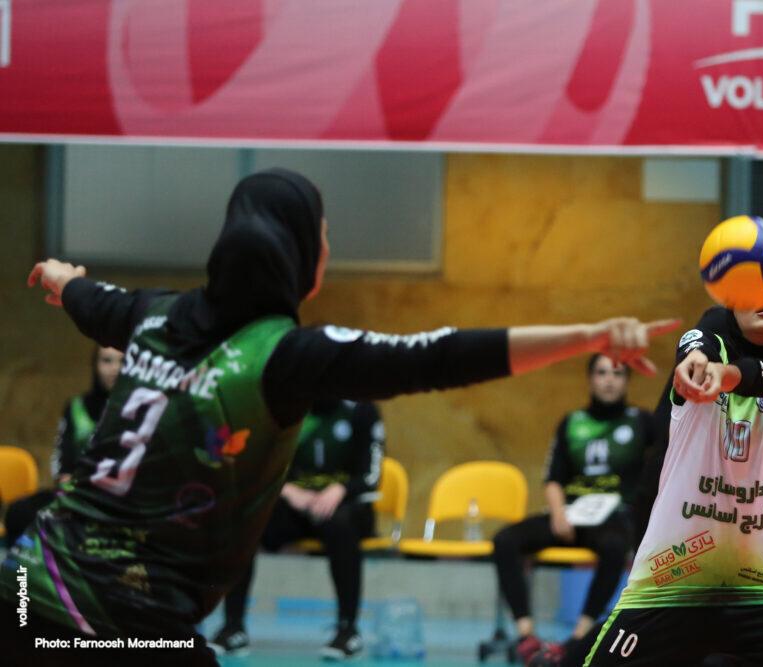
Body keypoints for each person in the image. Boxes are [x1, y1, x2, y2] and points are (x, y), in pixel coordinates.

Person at [0, 168, 679, 667]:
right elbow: (439, 355)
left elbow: (86, 296)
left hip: (24, 582)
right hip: (123, 617)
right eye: (322, 234)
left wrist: (60, 277)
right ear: (300, 255)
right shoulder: (286, 357)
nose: (327, 245)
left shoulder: (150, 313)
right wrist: (587, 335)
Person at [583, 287, 763, 667]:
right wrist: (698, 366)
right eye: (754, 288)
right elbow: (696, 348)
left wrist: (729, 375)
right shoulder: (700, 345)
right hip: (667, 586)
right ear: (732, 301)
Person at [494, 354, 658, 663]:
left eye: (617, 374)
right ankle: (527, 636)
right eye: (602, 373)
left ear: (627, 381)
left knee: (616, 546)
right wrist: (558, 514)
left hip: (614, 516)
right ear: (590, 379)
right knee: (505, 540)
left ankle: (578, 637)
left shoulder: (642, 421)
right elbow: (553, 478)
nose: (609, 380)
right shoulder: (572, 422)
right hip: (570, 514)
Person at [209, 396, 385, 659]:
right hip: (295, 503)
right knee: (245, 521)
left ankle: (348, 630)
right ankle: (233, 628)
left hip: (344, 506)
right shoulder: (289, 406)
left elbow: (372, 474)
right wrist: (288, 489)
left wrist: (341, 489)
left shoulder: (362, 409)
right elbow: (261, 463)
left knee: (342, 526)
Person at [3, 346, 123, 542]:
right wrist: (66, 481)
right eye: (107, 361)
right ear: (95, 365)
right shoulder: (77, 406)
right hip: (75, 492)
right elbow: (62, 456)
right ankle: (24, 564)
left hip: (117, 497)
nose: (114, 368)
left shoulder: (138, 409)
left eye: (122, 361)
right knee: (20, 513)